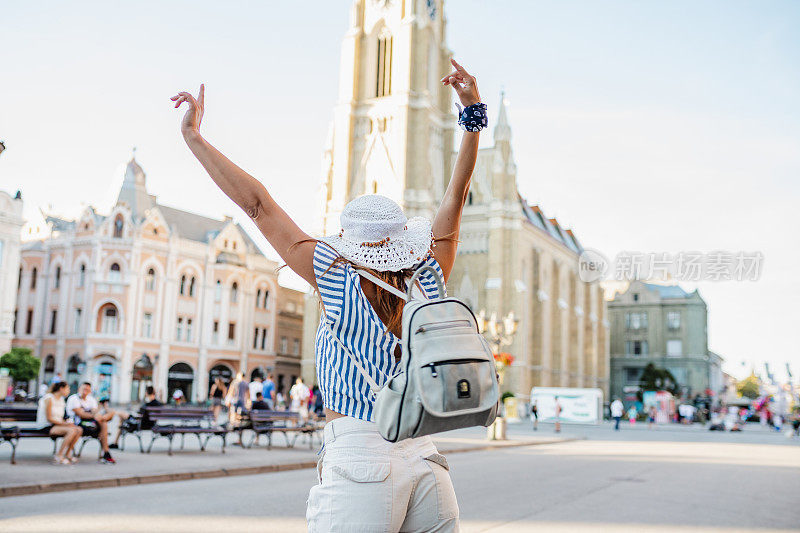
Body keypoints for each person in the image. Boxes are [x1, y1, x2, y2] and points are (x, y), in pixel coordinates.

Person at [171, 57, 481, 531]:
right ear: (404, 238)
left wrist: (195, 139)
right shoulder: (430, 271)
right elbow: (455, 197)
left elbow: (257, 205)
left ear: (348, 240)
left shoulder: (333, 272)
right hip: (425, 457)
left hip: (359, 455)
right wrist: (472, 114)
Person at [66, 382, 116, 464]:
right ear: (79, 389)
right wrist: (95, 416)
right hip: (78, 424)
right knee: (103, 424)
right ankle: (106, 453)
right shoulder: (73, 398)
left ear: (90, 391)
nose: (85, 391)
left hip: (92, 424)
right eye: (84, 389)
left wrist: (101, 409)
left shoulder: (91, 399)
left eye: (87, 390)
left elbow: (94, 412)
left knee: (105, 420)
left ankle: (106, 453)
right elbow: (81, 414)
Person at [36, 382, 83, 465]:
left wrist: (67, 423)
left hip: (57, 425)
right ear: (61, 389)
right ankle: (59, 455)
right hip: (47, 426)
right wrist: (66, 424)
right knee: (72, 431)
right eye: (67, 388)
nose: (69, 391)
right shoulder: (49, 398)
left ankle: (68, 454)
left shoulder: (61, 399)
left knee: (79, 429)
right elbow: (49, 418)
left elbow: (60, 417)